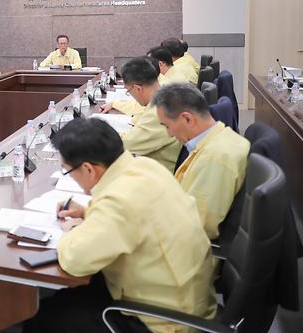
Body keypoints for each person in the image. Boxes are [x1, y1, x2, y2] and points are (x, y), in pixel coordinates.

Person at [24, 117, 216, 332]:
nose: (71, 177)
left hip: (164, 321)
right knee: (68, 298)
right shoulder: (145, 166)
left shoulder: (118, 201)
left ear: (88, 169)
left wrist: (70, 231)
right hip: (186, 299)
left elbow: (75, 261)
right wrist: (87, 212)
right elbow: (136, 216)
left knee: (44, 319)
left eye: (68, 171)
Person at [153, 83, 249, 240]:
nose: (169, 134)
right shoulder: (222, 136)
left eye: (167, 126)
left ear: (187, 119)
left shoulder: (214, 159)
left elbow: (197, 227)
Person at [110, 57, 182, 173]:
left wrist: (99, 134)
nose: (130, 95)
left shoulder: (158, 111)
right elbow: (137, 134)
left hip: (158, 175)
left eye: (129, 91)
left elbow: (126, 144)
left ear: (138, 89)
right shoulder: (164, 97)